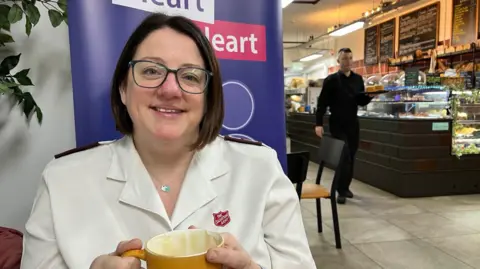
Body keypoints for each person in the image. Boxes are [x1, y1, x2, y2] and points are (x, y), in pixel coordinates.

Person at [20, 13, 316, 269]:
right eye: (151, 70)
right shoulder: (62, 180)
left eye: (190, 76)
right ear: (123, 89)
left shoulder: (259, 168)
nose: (171, 89)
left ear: (208, 96)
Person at [314, 48, 373, 205]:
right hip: (337, 123)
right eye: (344, 58)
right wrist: (318, 124)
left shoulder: (358, 79)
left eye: (350, 58)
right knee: (344, 155)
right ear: (338, 61)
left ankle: (345, 187)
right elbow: (322, 104)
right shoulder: (331, 80)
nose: (347, 61)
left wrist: (371, 97)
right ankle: (340, 189)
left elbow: (360, 101)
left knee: (352, 155)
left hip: (353, 123)